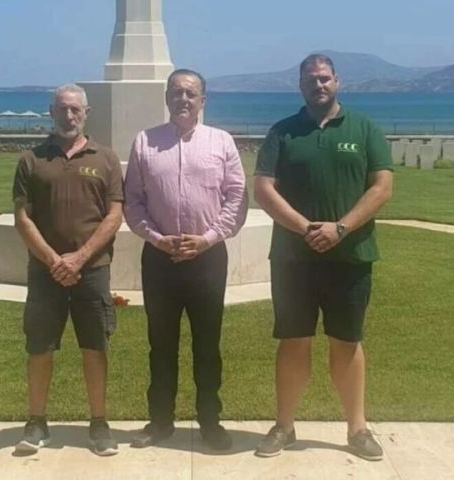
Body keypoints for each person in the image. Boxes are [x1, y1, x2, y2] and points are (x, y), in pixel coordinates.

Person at [253, 54, 393, 460]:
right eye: (311, 79)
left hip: (351, 256)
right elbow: (263, 189)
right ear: (300, 84)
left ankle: (358, 429)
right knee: (293, 342)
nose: (319, 85)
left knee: (347, 342)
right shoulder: (283, 132)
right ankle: (284, 426)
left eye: (325, 78)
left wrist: (341, 228)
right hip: (293, 260)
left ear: (338, 82)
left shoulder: (364, 128)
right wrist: (306, 228)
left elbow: (381, 187)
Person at [124, 68, 248, 451]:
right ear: (166, 97)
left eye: (191, 94)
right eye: (176, 92)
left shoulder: (221, 142)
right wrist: (158, 239)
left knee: (207, 344)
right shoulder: (145, 142)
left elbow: (236, 198)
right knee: (160, 344)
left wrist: (208, 238)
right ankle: (160, 422)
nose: (183, 99)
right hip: (160, 259)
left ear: (203, 101)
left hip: (208, 258)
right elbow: (133, 201)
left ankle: (210, 422)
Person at [12, 84, 123, 456]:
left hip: (93, 271)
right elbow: (23, 218)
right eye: (62, 109)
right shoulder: (31, 159)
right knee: (39, 348)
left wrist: (79, 258)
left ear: (86, 113)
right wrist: (54, 260)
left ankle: (99, 423)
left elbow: (114, 215)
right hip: (45, 273)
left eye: (75, 109)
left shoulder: (106, 158)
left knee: (95, 346)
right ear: (51, 111)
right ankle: (36, 421)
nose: (69, 116)